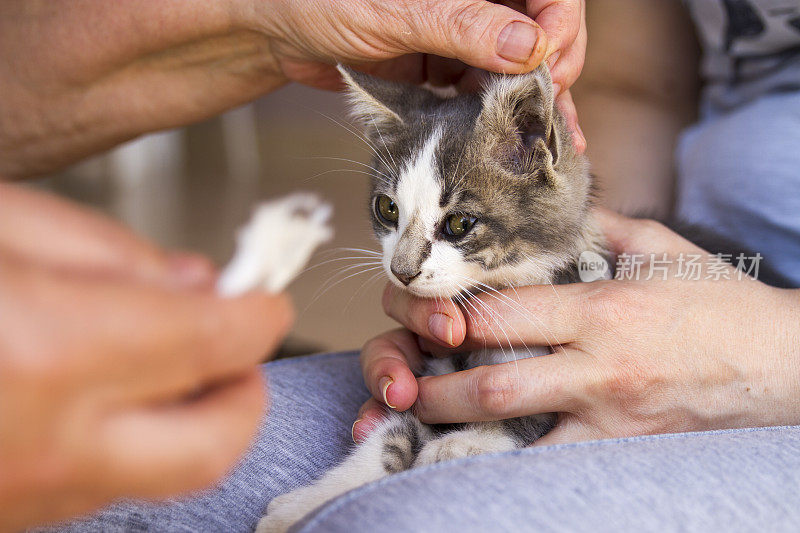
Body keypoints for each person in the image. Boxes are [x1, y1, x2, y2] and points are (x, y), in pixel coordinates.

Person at [3, 1, 800, 532]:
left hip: (765, 332)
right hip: (658, 267)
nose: (408, 264)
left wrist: (769, 355)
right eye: (392, 217)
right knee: (87, 476)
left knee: (401, 519)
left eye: (449, 227)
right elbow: (634, 90)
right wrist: (581, 273)